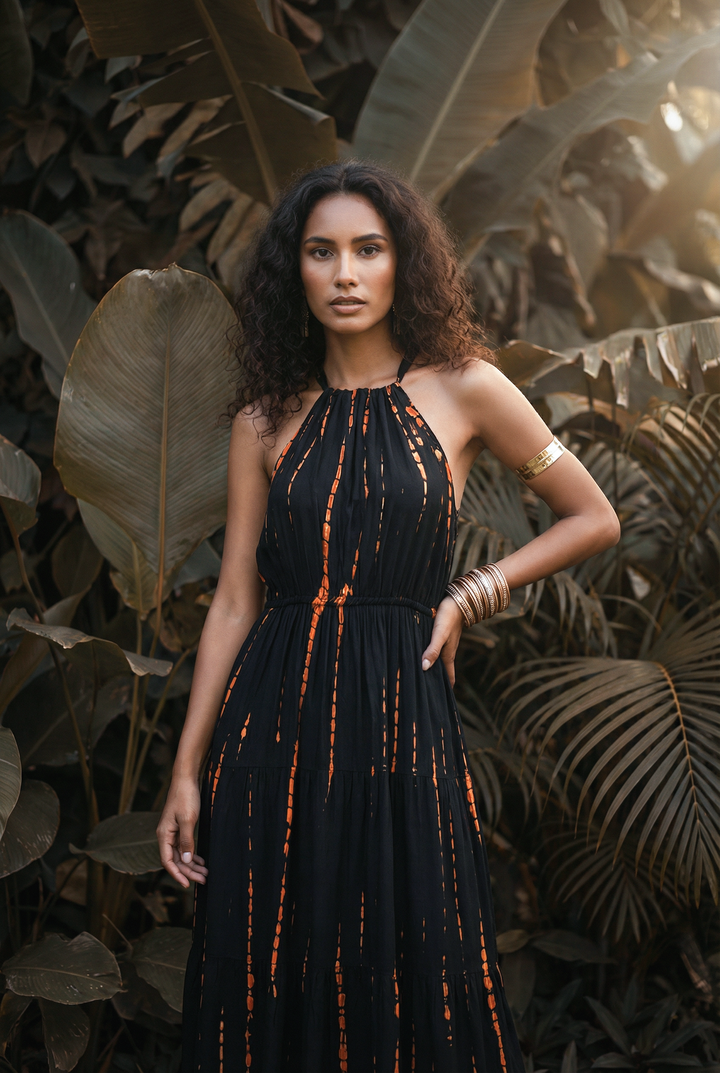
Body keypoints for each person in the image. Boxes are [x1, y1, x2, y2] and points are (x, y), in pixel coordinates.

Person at [158, 160, 620, 1073]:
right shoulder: (263, 420)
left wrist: (469, 592)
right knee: (271, 966)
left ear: (402, 262)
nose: (344, 273)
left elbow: (594, 515)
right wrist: (184, 771)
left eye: (368, 249)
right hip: (271, 730)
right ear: (294, 269)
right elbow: (237, 599)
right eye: (320, 251)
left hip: (401, 718)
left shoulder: (466, 387)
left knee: (415, 951)